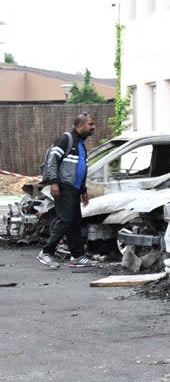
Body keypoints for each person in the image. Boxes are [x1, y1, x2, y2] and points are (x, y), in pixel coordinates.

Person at [36, 112, 96, 269]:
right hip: (64, 186)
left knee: (75, 222)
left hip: (75, 189)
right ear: (80, 125)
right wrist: (54, 183)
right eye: (90, 124)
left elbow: (80, 169)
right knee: (66, 220)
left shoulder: (81, 144)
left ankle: (77, 256)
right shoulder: (65, 139)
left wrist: (83, 190)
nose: (93, 127)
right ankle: (46, 252)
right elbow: (52, 161)